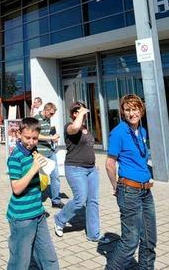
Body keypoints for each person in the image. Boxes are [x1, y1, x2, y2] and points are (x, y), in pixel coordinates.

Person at [105, 94, 156, 270]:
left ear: (141, 110)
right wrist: (115, 186)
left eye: (135, 109)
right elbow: (110, 164)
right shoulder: (118, 133)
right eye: (128, 110)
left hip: (146, 191)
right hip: (129, 190)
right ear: (122, 112)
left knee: (150, 239)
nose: (132, 113)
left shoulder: (142, 131)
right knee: (130, 241)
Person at [6, 117, 60, 270]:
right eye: (27, 137)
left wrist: (44, 167)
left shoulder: (33, 152)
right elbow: (16, 188)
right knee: (20, 262)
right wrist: (34, 169)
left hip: (38, 213)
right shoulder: (15, 157)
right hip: (22, 218)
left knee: (48, 258)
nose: (30, 141)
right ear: (19, 135)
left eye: (34, 138)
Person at [54, 102, 107, 242]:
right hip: (75, 168)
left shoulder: (86, 129)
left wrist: (94, 163)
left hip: (91, 170)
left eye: (83, 110)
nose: (83, 113)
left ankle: (94, 235)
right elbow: (75, 127)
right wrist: (82, 112)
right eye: (79, 111)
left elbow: (88, 147)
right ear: (74, 114)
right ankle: (60, 219)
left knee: (93, 201)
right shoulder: (69, 127)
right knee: (80, 200)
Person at [34, 102, 63, 208]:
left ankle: (56, 201)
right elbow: (36, 135)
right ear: (46, 110)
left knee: (55, 177)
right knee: (39, 178)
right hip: (40, 153)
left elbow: (46, 134)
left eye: (53, 114)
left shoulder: (48, 119)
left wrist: (53, 137)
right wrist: (51, 138)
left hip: (50, 151)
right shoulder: (36, 119)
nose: (52, 116)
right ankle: (36, 201)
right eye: (51, 113)